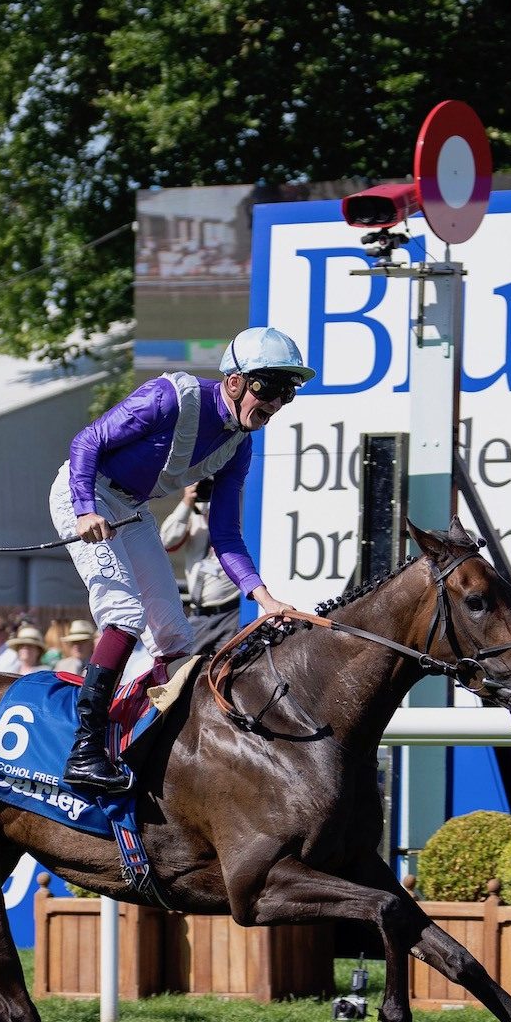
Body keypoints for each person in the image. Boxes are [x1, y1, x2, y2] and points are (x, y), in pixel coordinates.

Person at [49, 325, 307, 792]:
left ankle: (163, 749)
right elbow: (86, 441)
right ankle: (84, 750)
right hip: (81, 492)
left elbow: (227, 534)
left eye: (286, 394)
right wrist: (86, 507)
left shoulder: (239, 446)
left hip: (131, 509)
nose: (274, 404)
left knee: (176, 638)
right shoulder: (169, 396)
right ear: (235, 381)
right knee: (125, 614)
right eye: (267, 389)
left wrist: (266, 599)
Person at [162, 481, 241, 617]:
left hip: (233, 611)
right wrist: (187, 501)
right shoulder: (195, 509)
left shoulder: (243, 506)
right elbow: (165, 542)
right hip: (200, 613)